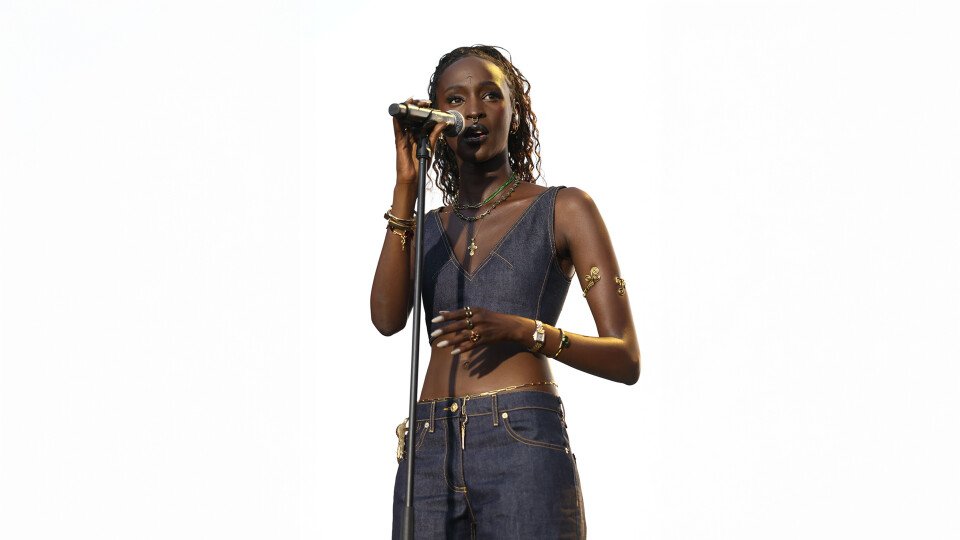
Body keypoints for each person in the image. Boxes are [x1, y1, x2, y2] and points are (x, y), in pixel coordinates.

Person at [371, 45, 640, 539]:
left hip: (520, 441)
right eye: (455, 99)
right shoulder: (426, 226)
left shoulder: (564, 209)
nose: (473, 110)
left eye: (490, 95)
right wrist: (406, 185)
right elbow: (386, 320)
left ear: (515, 113)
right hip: (429, 449)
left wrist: (525, 331)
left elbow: (626, 358)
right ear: (438, 119)